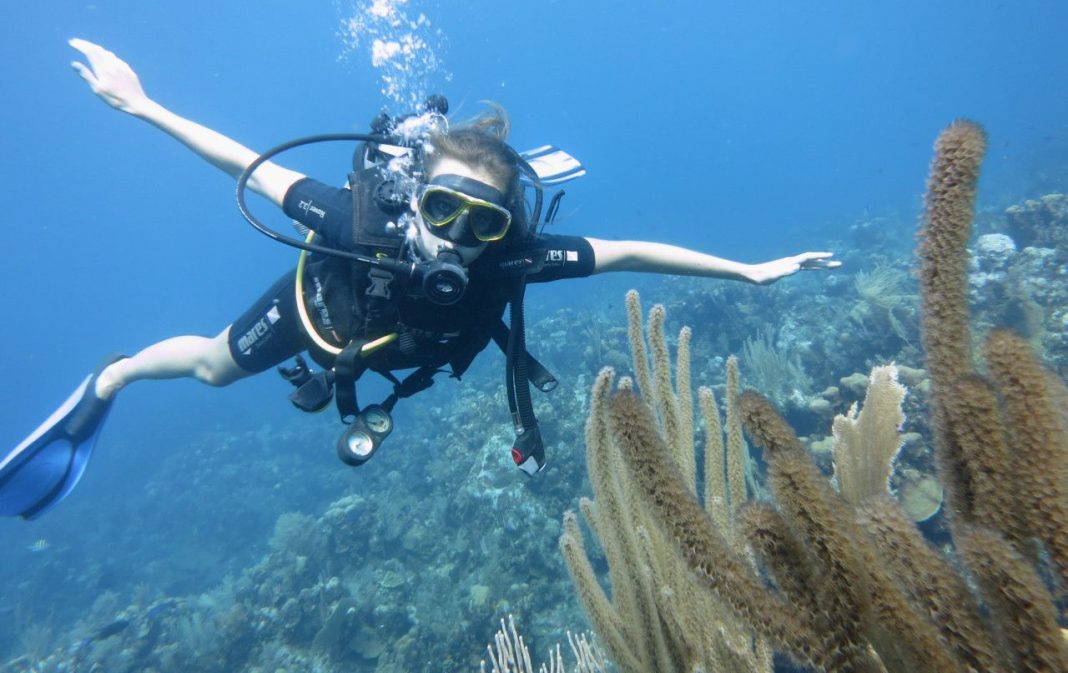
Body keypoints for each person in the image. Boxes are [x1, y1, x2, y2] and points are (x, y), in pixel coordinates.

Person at [0, 39, 839, 519]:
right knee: (214, 367)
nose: (461, 240)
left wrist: (748, 271)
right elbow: (249, 166)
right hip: (324, 308)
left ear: (508, 229)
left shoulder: (508, 258)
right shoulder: (350, 221)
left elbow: (622, 250)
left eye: (485, 225)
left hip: (390, 351)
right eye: (442, 211)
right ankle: (109, 378)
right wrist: (143, 105)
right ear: (412, 202)